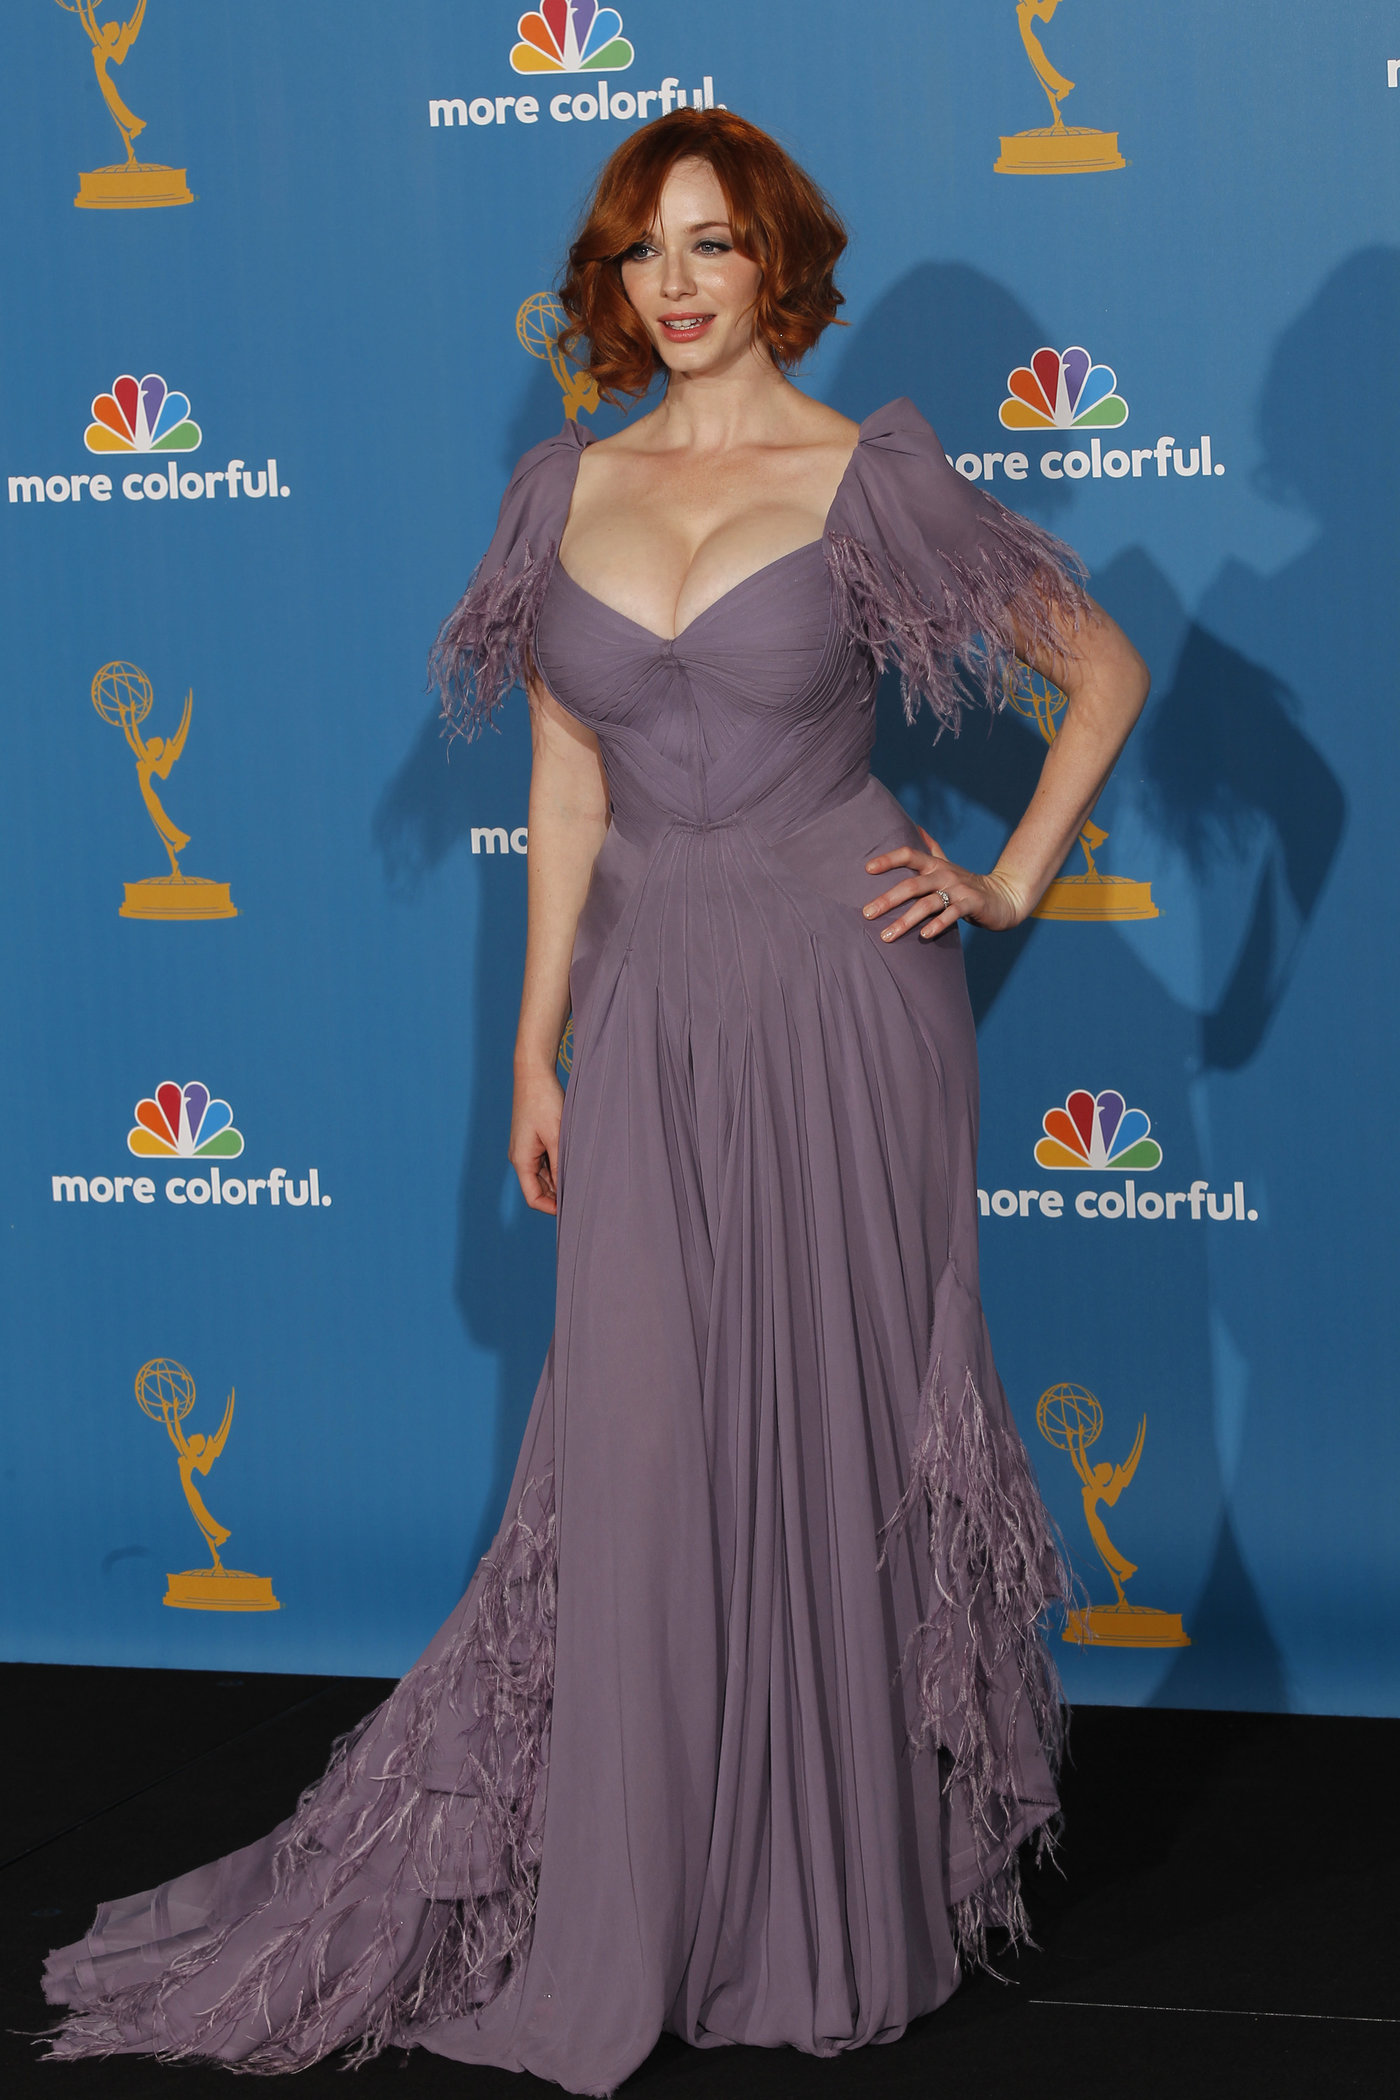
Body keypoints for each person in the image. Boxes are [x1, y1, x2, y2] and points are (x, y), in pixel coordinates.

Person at [43, 108, 1149, 2091]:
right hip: (645, 1006)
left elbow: (1101, 671)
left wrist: (1007, 877)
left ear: (777, 261)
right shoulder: (564, 485)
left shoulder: (865, 469)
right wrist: (536, 1043)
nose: (683, 282)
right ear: (613, 284)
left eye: (716, 245)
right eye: (649, 252)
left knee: (829, 1428)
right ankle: (647, 1890)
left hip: (844, 993)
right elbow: (564, 785)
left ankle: (829, 1903)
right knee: (644, 1449)